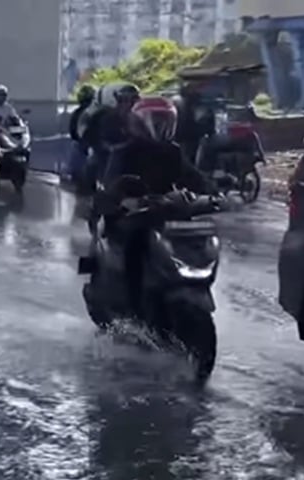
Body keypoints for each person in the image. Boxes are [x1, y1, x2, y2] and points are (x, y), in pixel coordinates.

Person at [102, 96, 213, 317]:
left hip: (168, 211)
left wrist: (215, 190)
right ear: (139, 123)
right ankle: (133, 308)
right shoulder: (124, 151)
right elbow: (111, 183)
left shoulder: (173, 151)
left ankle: (192, 283)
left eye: (165, 121)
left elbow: (194, 177)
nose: (161, 126)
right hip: (134, 215)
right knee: (136, 245)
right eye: (155, 120)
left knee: (201, 239)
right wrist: (125, 197)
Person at [67, 84, 96, 183]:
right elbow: (73, 131)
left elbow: (72, 131)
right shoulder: (85, 113)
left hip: (88, 144)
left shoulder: (83, 112)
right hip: (83, 144)